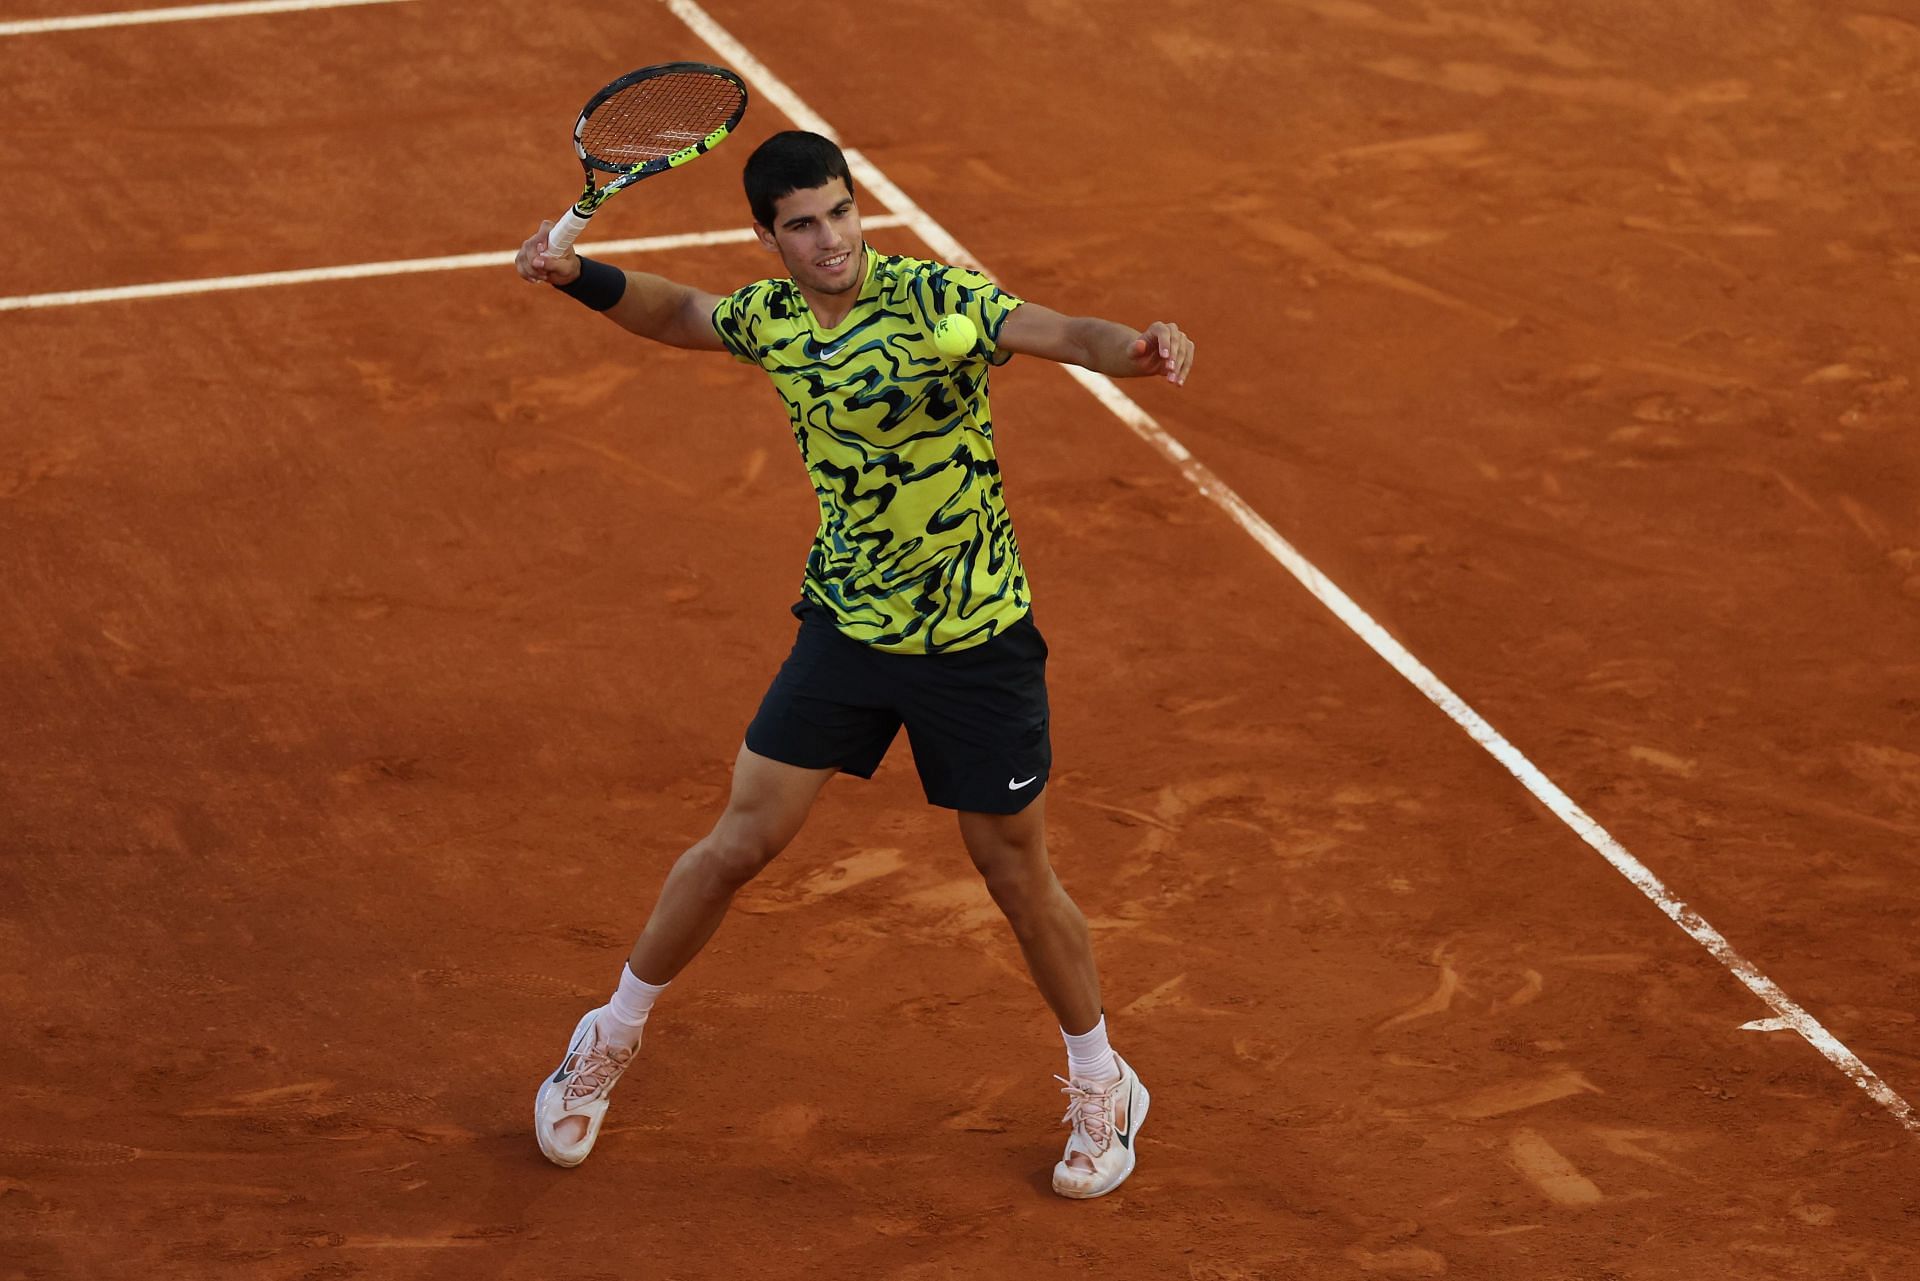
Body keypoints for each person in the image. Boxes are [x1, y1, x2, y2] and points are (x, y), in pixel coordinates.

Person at [514, 130, 1194, 1199]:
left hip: (976, 641)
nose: (829, 239)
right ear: (769, 235)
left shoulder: (936, 301)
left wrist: (1137, 349)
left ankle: (1103, 1080)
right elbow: (684, 315)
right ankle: (608, 1034)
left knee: (1015, 873)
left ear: (856, 207)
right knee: (738, 844)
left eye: (839, 212)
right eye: (802, 224)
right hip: (848, 630)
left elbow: (1060, 331)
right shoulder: (775, 320)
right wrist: (578, 276)